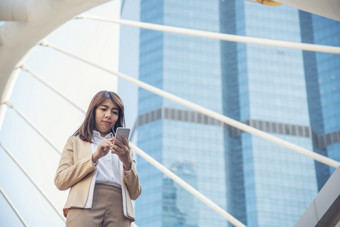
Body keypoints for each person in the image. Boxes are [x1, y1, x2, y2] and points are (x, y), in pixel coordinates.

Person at [54, 90, 142, 227]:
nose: (109, 115)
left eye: (114, 112)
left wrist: (127, 162)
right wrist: (94, 157)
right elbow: (60, 181)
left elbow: (135, 193)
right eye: (103, 109)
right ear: (93, 111)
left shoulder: (124, 148)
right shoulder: (75, 142)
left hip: (120, 209)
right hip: (84, 206)